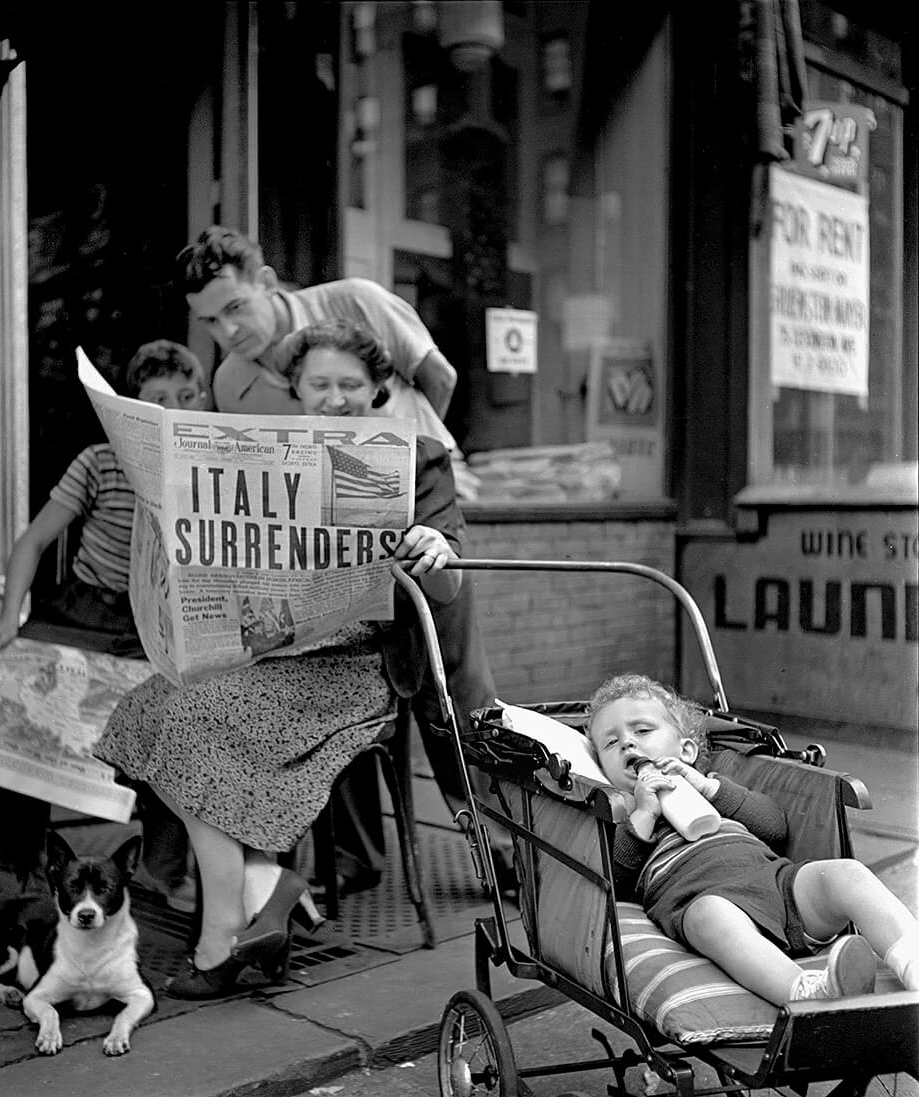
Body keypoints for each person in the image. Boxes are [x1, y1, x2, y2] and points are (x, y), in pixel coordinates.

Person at [94, 319, 472, 999]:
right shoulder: (264, 450)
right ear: (294, 388)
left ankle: (223, 932)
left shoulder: (419, 459)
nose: (333, 398)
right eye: (319, 384)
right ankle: (265, 885)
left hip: (354, 668)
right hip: (270, 654)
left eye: (349, 385)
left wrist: (432, 550)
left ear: (379, 389)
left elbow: (448, 585)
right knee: (153, 701)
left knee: (194, 719)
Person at [175, 226, 511, 897]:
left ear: (267, 283)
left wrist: (413, 466)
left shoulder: (357, 302)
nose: (227, 329)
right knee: (329, 671)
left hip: (419, 526)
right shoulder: (232, 379)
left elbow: (438, 377)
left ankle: (500, 848)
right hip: (331, 580)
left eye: (235, 307)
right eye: (209, 320)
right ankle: (355, 858)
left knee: (453, 699)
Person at [0, 340, 207, 910]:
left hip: (161, 620)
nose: (171, 407)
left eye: (184, 397)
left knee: (181, 710)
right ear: (132, 405)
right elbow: (32, 541)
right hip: (83, 611)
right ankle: (24, 863)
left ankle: (160, 868)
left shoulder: (205, 468)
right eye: (156, 399)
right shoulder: (99, 460)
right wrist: (8, 621)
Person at [586, 673, 919, 1003]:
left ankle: (910, 959)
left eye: (642, 730)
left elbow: (774, 826)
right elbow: (616, 881)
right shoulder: (625, 815)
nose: (628, 743)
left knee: (847, 874)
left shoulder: (711, 787)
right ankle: (808, 990)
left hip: (777, 887)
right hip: (703, 901)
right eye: (611, 743)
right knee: (709, 915)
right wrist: (643, 812)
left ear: (685, 750)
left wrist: (708, 788)